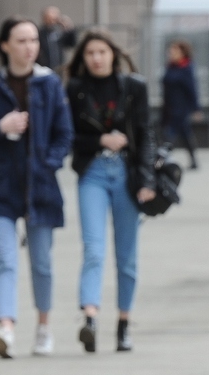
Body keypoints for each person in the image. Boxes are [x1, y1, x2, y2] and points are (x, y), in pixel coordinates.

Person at [0, 17, 74, 358]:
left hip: (40, 189)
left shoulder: (50, 85)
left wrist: (48, 163)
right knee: (5, 260)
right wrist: (0, 126)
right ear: (5, 45)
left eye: (33, 41)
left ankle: (43, 327)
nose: (29, 47)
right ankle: (6, 328)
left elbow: (64, 135)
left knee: (41, 262)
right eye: (22, 41)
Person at [66, 29, 156, 354]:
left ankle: (123, 324)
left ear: (113, 55)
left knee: (127, 256)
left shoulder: (134, 87)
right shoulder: (76, 90)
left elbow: (146, 134)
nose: (96, 59)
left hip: (127, 175)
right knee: (93, 248)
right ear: (83, 58)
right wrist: (99, 141)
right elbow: (68, 136)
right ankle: (89, 319)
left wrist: (146, 180)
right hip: (92, 172)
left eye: (102, 52)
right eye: (90, 53)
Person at [161, 39, 201, 169]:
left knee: (170, 134)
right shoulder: (171, 67)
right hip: (168, 107)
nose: (171, 52)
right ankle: (193, 159)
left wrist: (196, 108)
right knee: (184, 134)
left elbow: (192, 89)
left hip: (181, 108)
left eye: (174, 50)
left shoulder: (186, 68)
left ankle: (162, 160)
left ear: (183, 52)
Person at [37, 6, 76, 71]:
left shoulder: (61, 32)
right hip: (44, 67)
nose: (52, 22)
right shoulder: (39, 33)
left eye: (54, 19)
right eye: (49, 19)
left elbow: (71, 43)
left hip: (59, 68)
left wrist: (69, 28)